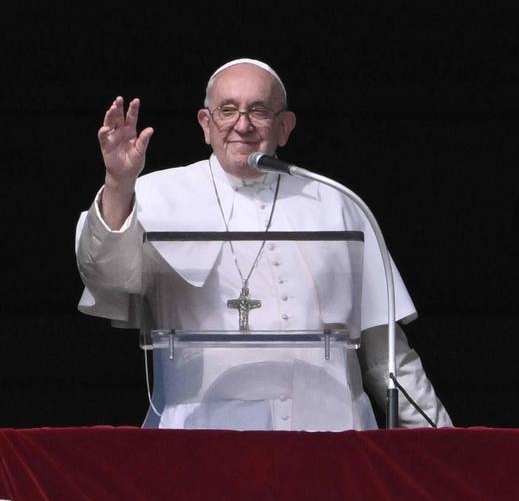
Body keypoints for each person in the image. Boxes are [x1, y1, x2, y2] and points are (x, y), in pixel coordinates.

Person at [76, 58, 453, 431]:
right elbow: (109, 278)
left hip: (335, 438)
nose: (243, 125)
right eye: (227, 110)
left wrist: (441, 446)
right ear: (205, 124)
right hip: (203, 440)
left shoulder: (337, 203)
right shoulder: (151, 195)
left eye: (259, 110)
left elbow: (384, 354)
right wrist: (118, 183)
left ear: (284, 127)